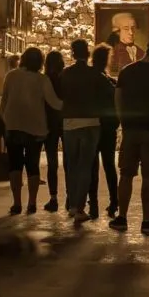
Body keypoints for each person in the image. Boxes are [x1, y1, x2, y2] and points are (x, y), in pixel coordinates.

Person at [111, 34, 149, 234]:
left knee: (126, 174)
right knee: (148, 176)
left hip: (130, 130)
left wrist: (124, 123)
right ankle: (147, 220)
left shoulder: (126, 72)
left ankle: (121, 218)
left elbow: (118, 101)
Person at [0, 47, 62, 214]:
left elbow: (3, 101)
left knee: (15, 165)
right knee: (32, 166)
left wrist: (3, 122)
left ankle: (17, 203)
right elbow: (54, 103)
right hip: (35, 128)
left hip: (13, 126)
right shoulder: (42, 80)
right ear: (41, 62)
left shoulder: (11, 76)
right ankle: (32, 203)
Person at [59, 40, 103, 223]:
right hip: (91, 122)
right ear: (88, 53)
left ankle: (71, 205)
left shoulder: (65, 74)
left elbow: (61, 96)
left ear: (72, 53)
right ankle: (79, 208)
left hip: (70, 122)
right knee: (85, 166)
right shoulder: (94, 74)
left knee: (72, 165)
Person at [91, 43, 119, 219]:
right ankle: (113, 201)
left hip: (94, 124)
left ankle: (93, 203)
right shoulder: (105, 80)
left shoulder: (92, 77)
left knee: (92, 165)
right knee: (108, 165)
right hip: (106, 125)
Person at [42, 50, 65, 212]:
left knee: (52, 162)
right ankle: (71, 198)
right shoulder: (65, 78)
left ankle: (53, 198)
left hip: (49, 123)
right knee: (69, 161)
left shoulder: (44, 79)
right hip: (64, 121)